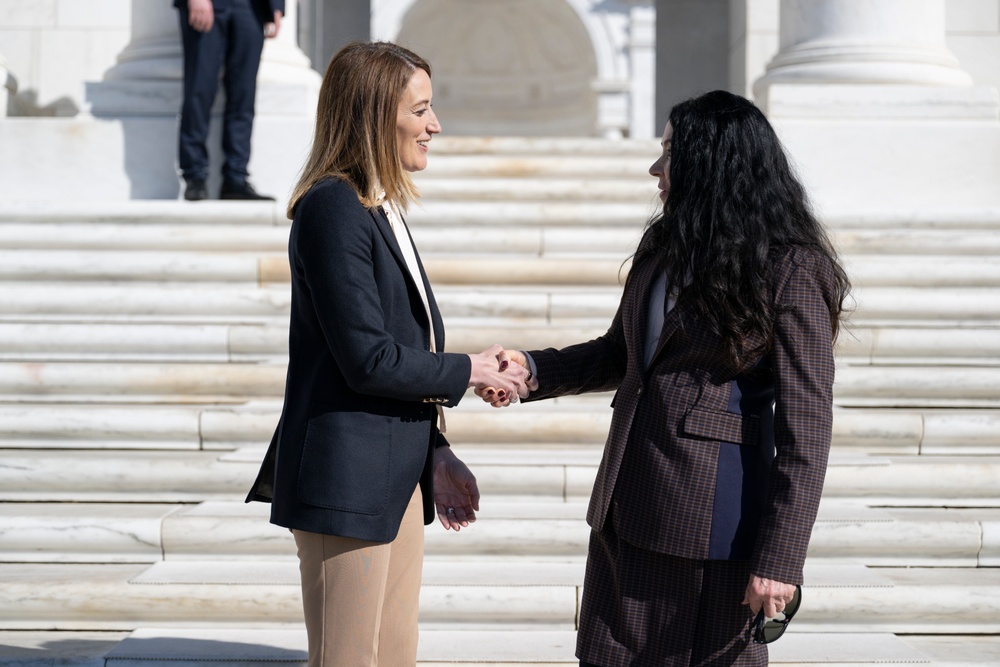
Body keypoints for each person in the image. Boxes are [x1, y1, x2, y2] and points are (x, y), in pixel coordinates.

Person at [481, 90, 851, 666]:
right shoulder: (661, 249)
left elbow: (808, 429)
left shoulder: (794, 270)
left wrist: (780, 559)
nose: (657, 168)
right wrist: (531, 370)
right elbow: (619, 354)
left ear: (713, 161)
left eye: (671, 152)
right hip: (623, 509)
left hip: (713, 528)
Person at [245, 41, 528, 667]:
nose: (435, 125)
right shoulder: (333, 208)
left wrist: (438, 450)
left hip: (395, 479)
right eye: (420, 110)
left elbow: (400, 350)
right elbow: (367, 358)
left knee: (394, 655)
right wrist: (470, 369)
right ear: (376, 114)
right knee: (349, 659)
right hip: (346, 481)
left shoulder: (380, 206)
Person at [174, 0, 282, 201]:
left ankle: (235, 179)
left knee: (244, 95)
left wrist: (277, 5)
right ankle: (194, 175)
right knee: (200, 90)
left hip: (252, 7)